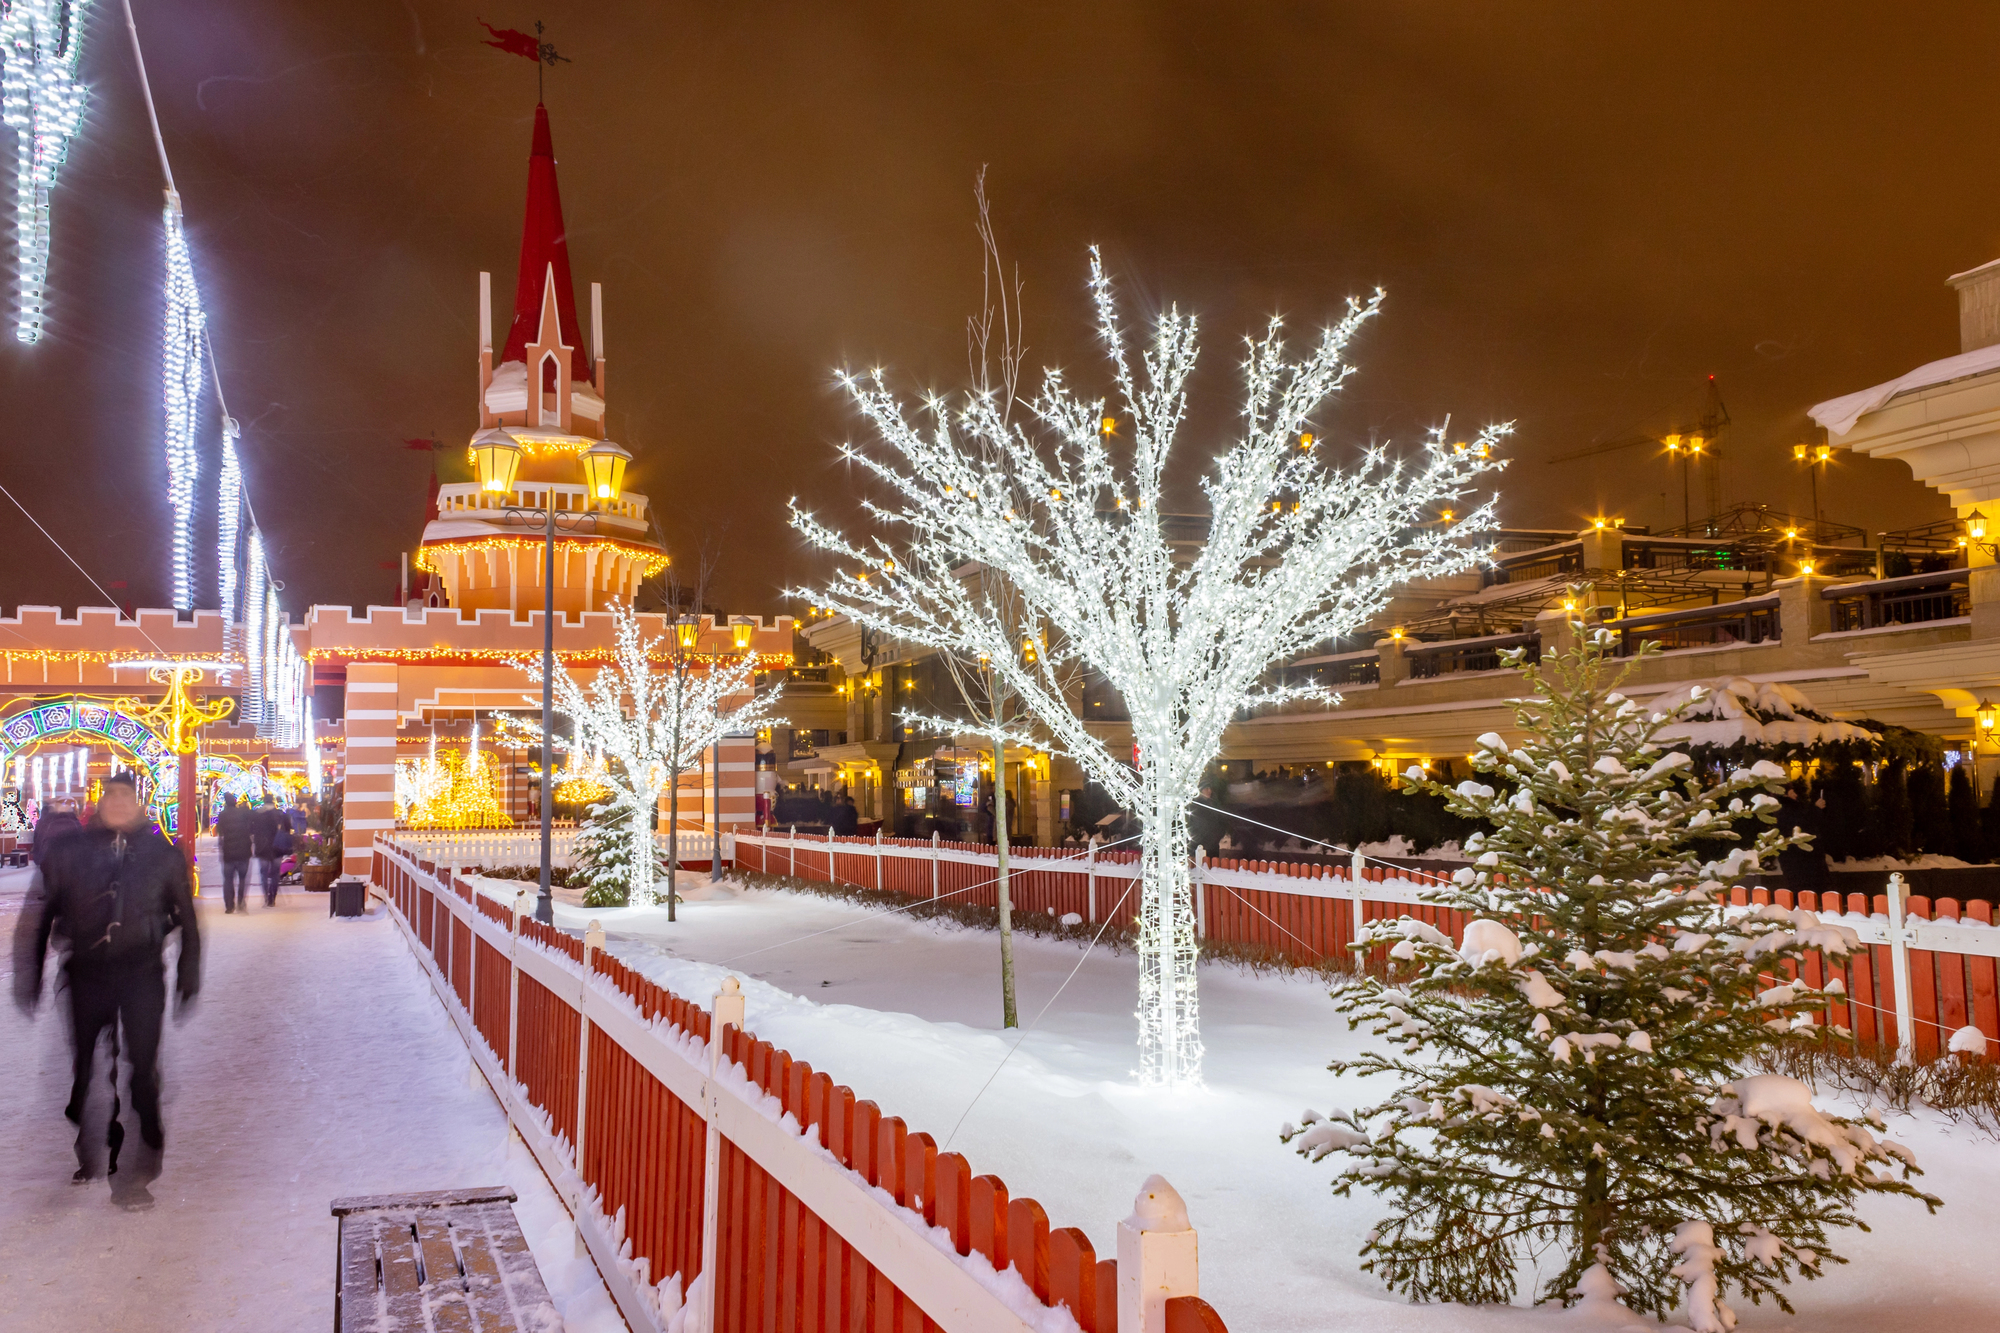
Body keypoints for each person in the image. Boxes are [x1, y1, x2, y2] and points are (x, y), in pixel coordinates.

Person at [12, 772, 201, 1201]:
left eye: (125, 796)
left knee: (142, 1072)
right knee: (88, 1072)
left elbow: (186, 917)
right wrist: (29, 972)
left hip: (141, 973)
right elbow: (42, 913)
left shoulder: (161, 854)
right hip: (86, 974)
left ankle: (134, 1174)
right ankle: (97, 1141)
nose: (117, 803)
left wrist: (188, 970)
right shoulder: (68, 851)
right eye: (110, 795)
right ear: (99, 803)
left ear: (138, 804)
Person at [215, 794, 254, 913]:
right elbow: (251, 826)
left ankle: (229, 905)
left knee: (228, 879)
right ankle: (240, 902)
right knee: (242, 878)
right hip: (243, 851)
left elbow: (220, 832)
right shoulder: (243, 813)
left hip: (228, 852)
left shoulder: (222, 815)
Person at [30, 795, 83, 869]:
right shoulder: (74, 823)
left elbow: (40, 842)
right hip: (70, 865)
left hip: (50, 864)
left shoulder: (49, 823)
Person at [252, 802, 285, 907]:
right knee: (275, 874)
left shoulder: (258, 815)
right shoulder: (279, 814)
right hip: (277, 848)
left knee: (264, 874)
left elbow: (253, 832)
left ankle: (266, 896)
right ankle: (272, 898)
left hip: (263, 849)